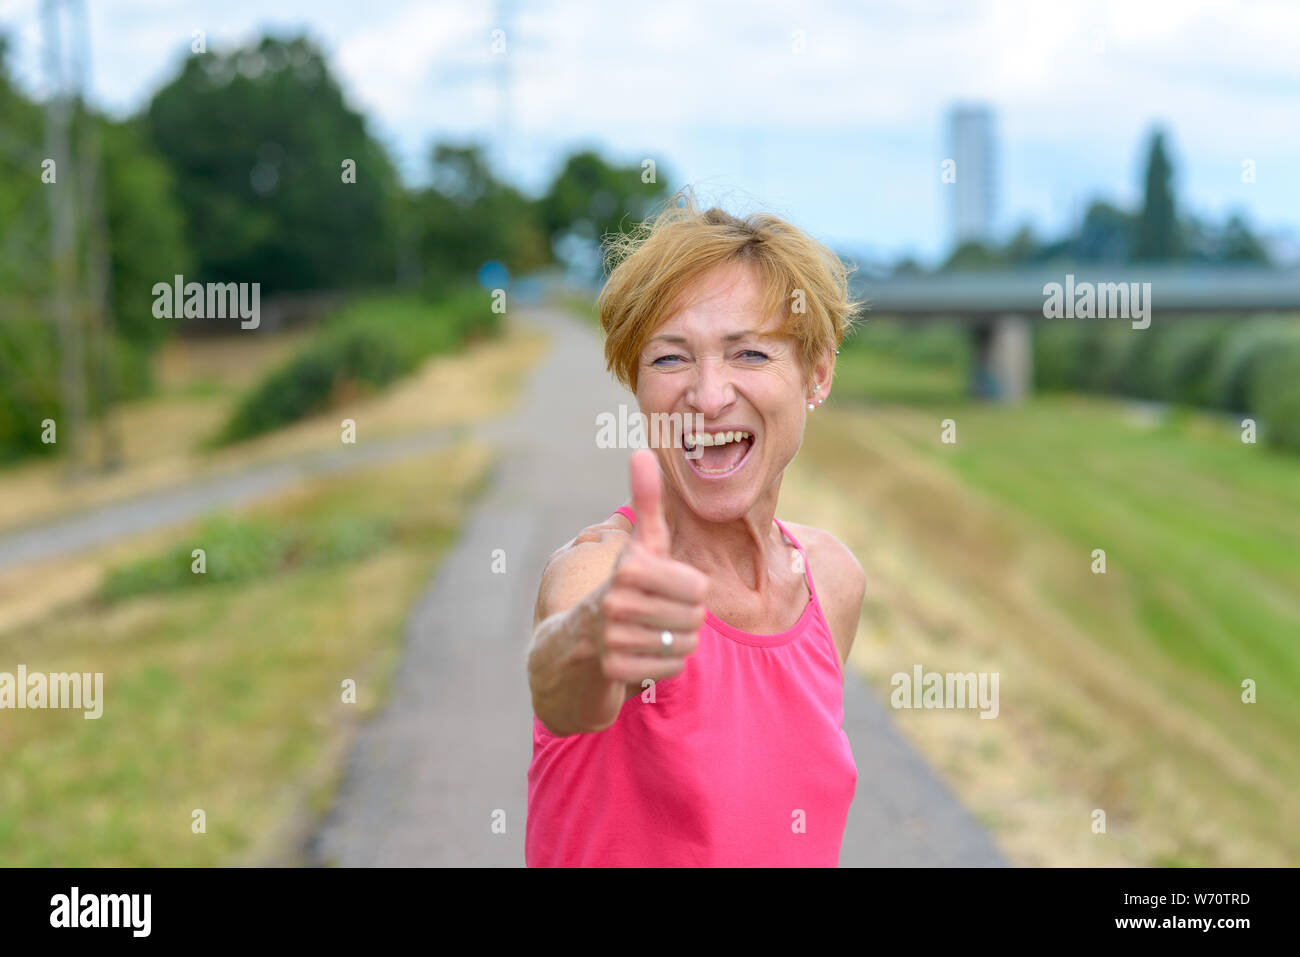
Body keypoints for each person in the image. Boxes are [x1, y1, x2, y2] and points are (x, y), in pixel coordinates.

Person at [526, 194, 867, 866]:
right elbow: (561, 687)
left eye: (749, 354)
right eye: (671, 359)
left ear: (817, 373)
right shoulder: (599, 572)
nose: (709, 397)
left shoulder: (833, 581)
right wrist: (595, 635)